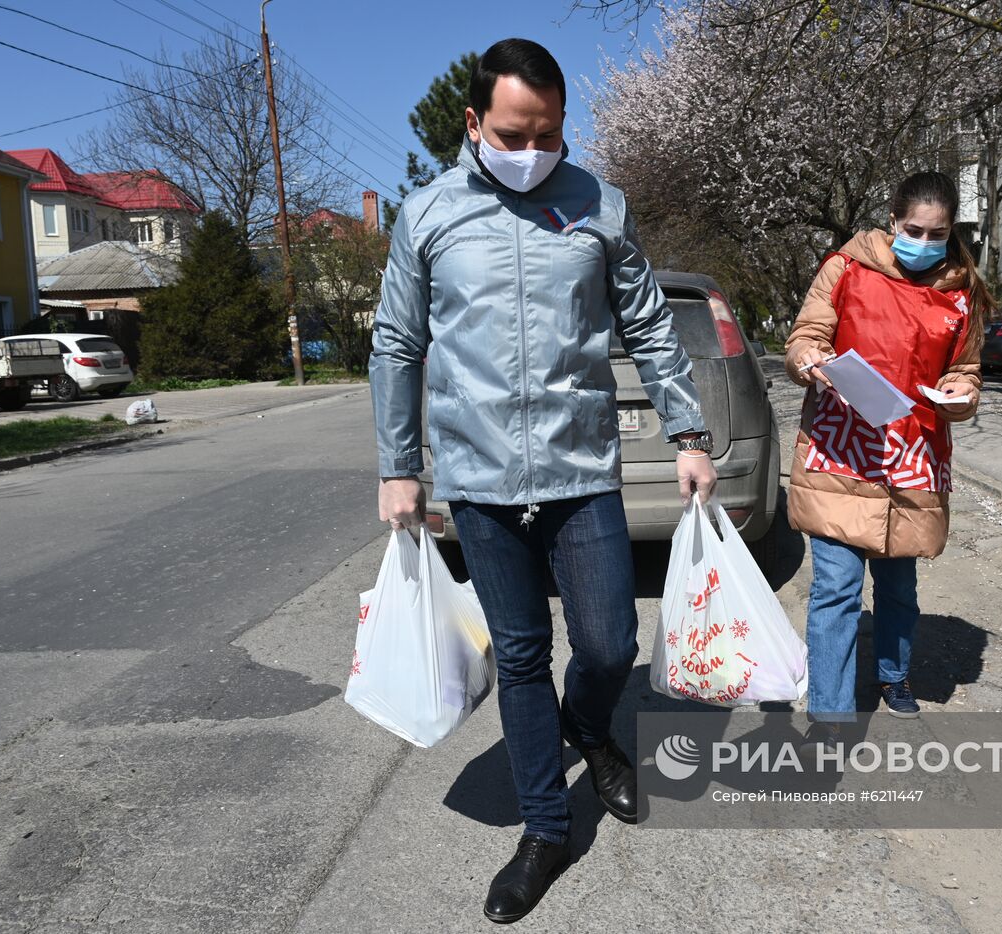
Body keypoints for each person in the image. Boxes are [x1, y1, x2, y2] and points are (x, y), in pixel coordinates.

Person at [370, 38, 717, 925]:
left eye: (551, 133)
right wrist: (398, 466)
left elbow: (645, 320)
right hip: (481, 485)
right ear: (475, 123)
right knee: (521, 657)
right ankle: (544, 830)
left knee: (608, 645)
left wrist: (689, 430)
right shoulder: (427, 216)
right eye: (516, 132)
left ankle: (592, 729)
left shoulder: (600, 205)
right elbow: (397, 345)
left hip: (580, 470)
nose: (534, 151)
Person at [783, 171, 991, 741]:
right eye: (913, 229)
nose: (923, 242)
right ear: (892, 220)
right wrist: (812, 363)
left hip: (912, 453)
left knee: (898, 584)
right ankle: (828, 715)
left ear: (953, 232)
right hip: (843, 447)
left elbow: (964, 370)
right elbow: (806, 336)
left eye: (937, 233)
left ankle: (894, 674)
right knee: (835, 588)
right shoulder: (845, 268)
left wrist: (961, 397)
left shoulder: (961, 289)